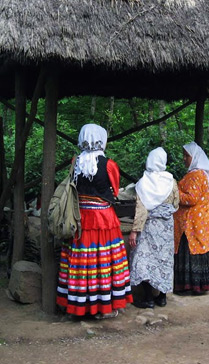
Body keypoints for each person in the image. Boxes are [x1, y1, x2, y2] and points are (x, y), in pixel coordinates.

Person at [56, 124, 133, 319]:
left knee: (82, 261)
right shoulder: (109, 165)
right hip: (104, 220)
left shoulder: (76, 162)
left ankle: (79, 305)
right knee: (104, 261)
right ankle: (104, 306)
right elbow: (114, 192)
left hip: (80, 218)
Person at [129, 147, 179, 309]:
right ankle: (162, 297)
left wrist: (134, 231)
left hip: (149, 227)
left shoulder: (144, 183)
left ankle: (148, 298)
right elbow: (176, 204)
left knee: (143, 259)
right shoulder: (171, 181)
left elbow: (141, 209)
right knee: (164, 260)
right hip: (166, 227)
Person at [173, 141, 209, 294]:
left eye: (187, 156)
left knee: (190, 251)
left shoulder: (195, 175)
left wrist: (173, 194)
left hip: (190, 224)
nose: (184, 158)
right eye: (183, 155)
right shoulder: (200, 174)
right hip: (198, 221)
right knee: (197, 249)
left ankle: (190, 286)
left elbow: (191, 199)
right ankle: (198, 285)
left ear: (195, 157)